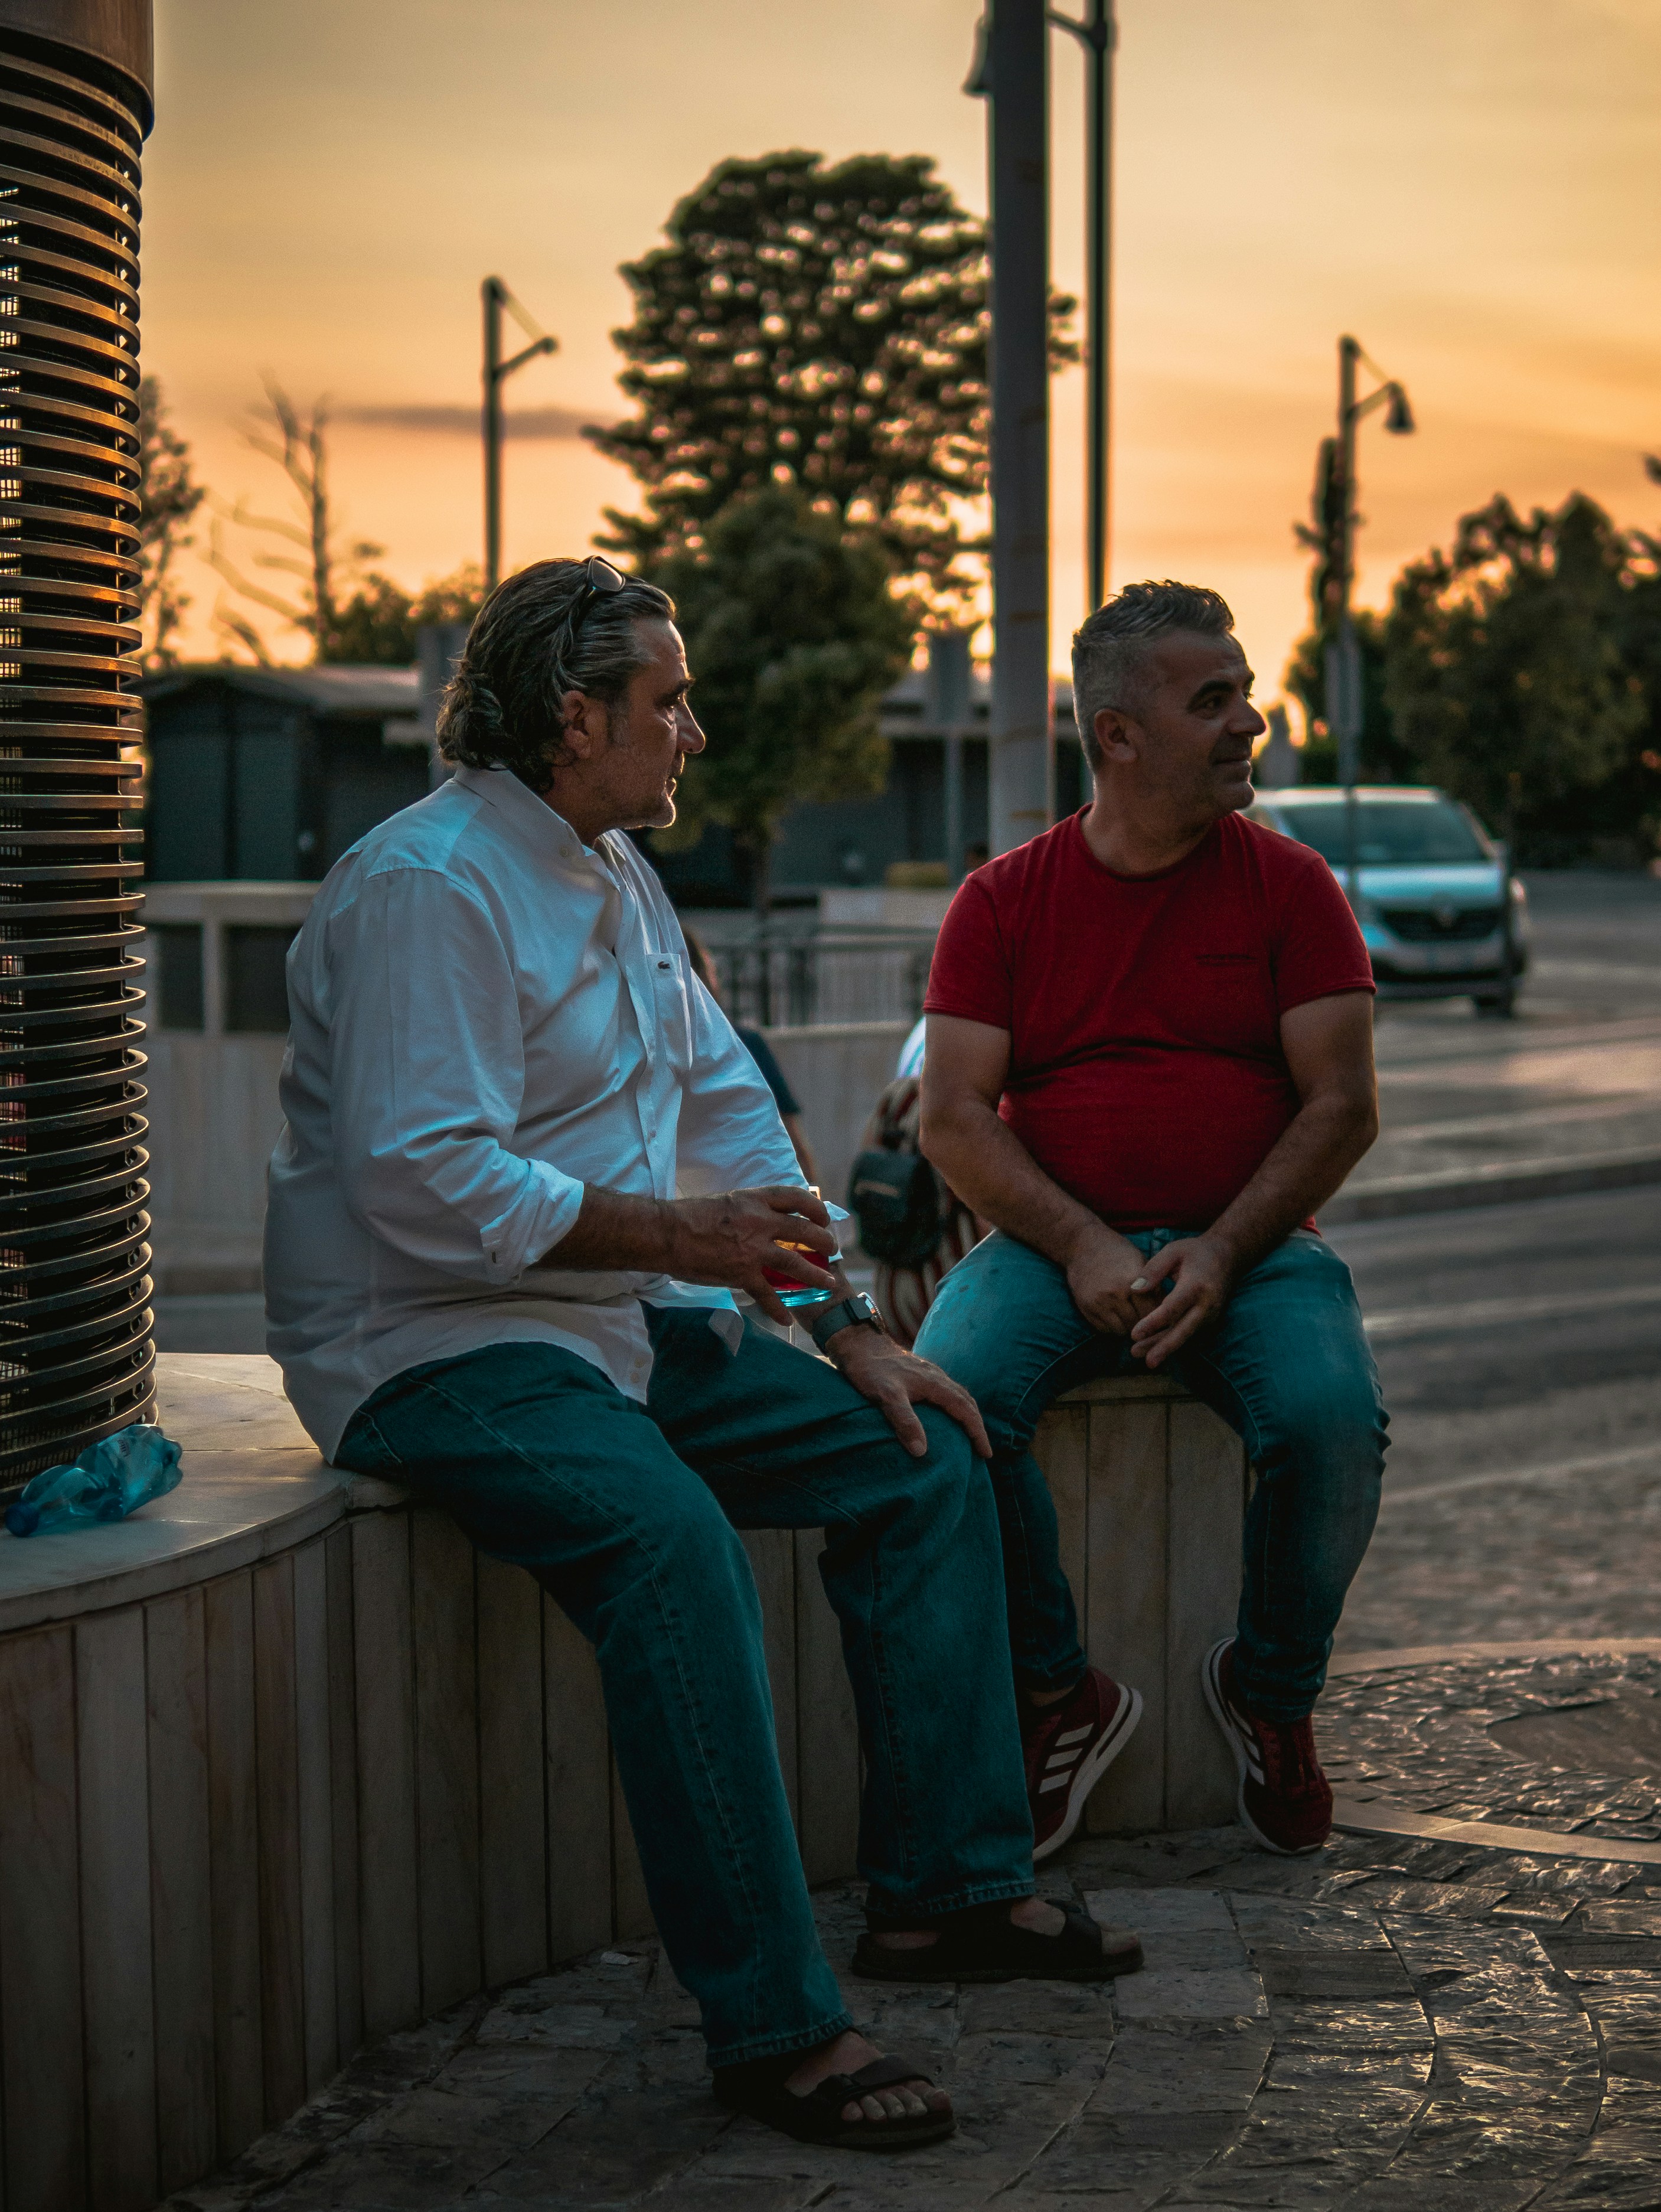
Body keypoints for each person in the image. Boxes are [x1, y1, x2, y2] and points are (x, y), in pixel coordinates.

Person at [263, 556, 1141, 2156]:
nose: (695, 731)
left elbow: (728, 1119)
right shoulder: (429, 887)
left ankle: (946, 1889)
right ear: (572, 711)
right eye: (667, 701)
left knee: (924, 1451)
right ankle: (775, 2026)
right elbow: (421, 1183)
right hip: (428, 1343)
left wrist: (841, 1324)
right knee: (669, 1545)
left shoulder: (619, 872)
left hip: (614, 1324)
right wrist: (684, 1248)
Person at [914, 580, 1387, 1864]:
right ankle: (1057, 1692)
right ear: (1117, 736)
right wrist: (1079, 1243)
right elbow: (952, 1118)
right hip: (1043, 1247)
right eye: (1212, 700)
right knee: (951, 1404)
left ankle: (1270, 1694)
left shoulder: (1290, 885)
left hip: (1255, 1247)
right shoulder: (1002, 901)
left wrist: (1224, 1247)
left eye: (1244, 692)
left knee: (1330, 1423)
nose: (1249, 723)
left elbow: (1339, 1104)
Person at [681, 929, 819, 1184]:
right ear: (699, 976)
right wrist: (814, 1204)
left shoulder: (642, 1057)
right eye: (712, 968)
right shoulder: (743, 1045)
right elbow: (791, 1139)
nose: (717, 978)